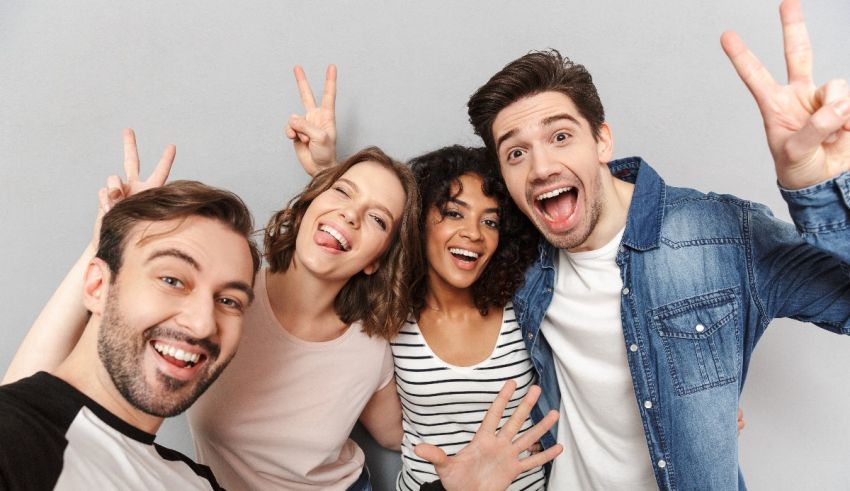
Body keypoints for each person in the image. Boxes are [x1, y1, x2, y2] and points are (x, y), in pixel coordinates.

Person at [2, 130, 562, 491]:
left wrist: (456, 476)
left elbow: (396, 432)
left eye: (376, 221)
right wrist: (113, 243)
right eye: (173, 280)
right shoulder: (231, 292)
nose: (202, 320)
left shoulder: (374, 339)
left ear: (378, 259)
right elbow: (31, 402)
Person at [462, 0, 849, 489]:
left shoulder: (722, 234)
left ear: (602, 142)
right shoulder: (517, 255)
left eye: (560, 136)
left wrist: (820, 191)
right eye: (516, 152)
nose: (540, 167)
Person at [0, 155, 262, 489]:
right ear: (97, 285)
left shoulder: (197, 481)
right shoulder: (14, 441)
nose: (202, 324)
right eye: (172, 280)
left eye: (228, 301)